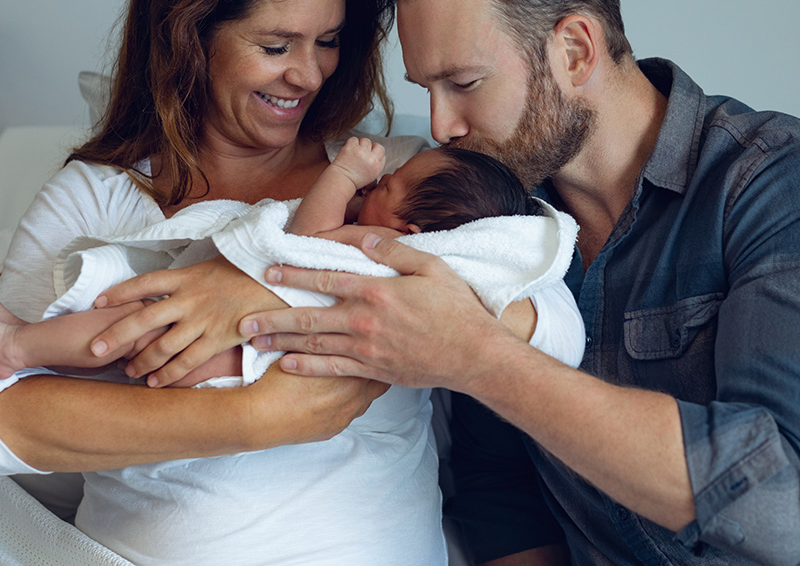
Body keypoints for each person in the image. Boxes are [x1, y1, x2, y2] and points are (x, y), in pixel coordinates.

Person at [94, 0, 800, 566]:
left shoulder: (764, 184)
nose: (439, 126)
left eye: (462, 84)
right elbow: (499, 493)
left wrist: (478, 358)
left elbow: (779, 505)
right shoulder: (481, 225)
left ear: (575, 50)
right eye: (426, 90)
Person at [0, 0, 462, 566]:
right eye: (277, 43)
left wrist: (253, 288)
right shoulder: (98, 197)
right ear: (190, 33)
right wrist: (255, 418)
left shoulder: (399, 184)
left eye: (328, 41)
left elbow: (528, 301)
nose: (309, 74)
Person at [0, 139, 549, 388]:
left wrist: (343, 175)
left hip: (256, 348)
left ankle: (22, 345)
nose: (376, 184)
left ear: (407, 231)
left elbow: (308, 236)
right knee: (130, 351)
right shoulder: (419, 257)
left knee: (131, 334)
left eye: (389, 186)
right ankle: (27, 351)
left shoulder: (382, 247)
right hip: (252, 351)